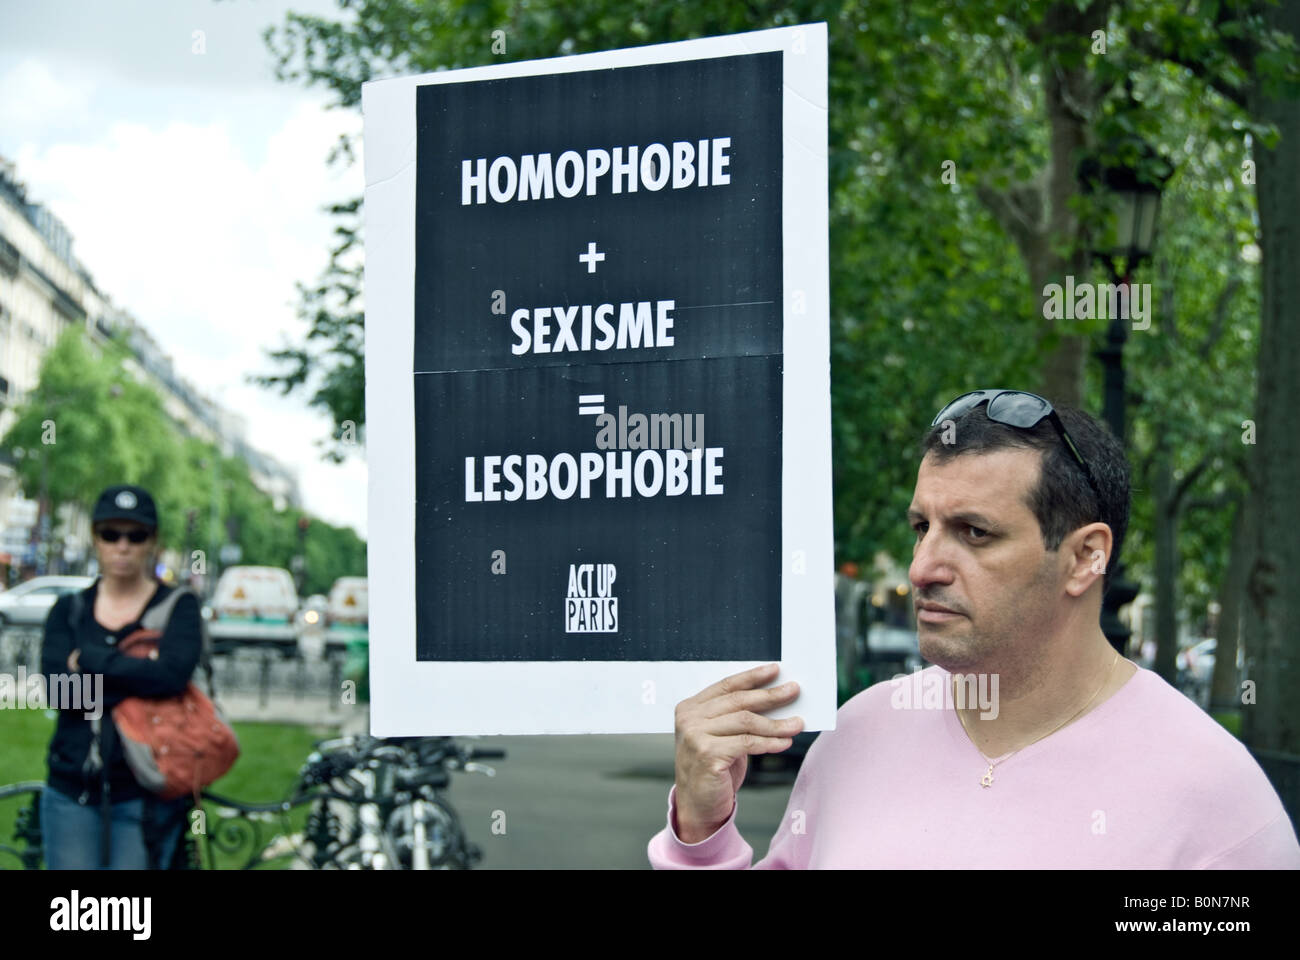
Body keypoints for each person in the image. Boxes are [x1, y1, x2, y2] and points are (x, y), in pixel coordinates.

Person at [648, 389, 1300, 868]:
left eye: (973, 533)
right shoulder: (857, 735)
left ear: (1085, 557)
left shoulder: (1218, 801)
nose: (925, 566)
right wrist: (702, 833)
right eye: (921, 527)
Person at [40, 484, 202, 869]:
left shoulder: (178, 607)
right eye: (111, 534)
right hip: (72, 791)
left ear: (153, 541)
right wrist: (139, 678)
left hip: (148, 790)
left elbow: (170, 679)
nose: (123, 546)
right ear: (95, 538)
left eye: (136, 535)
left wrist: (93, 659)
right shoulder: (69, 610)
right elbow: (60, 693)